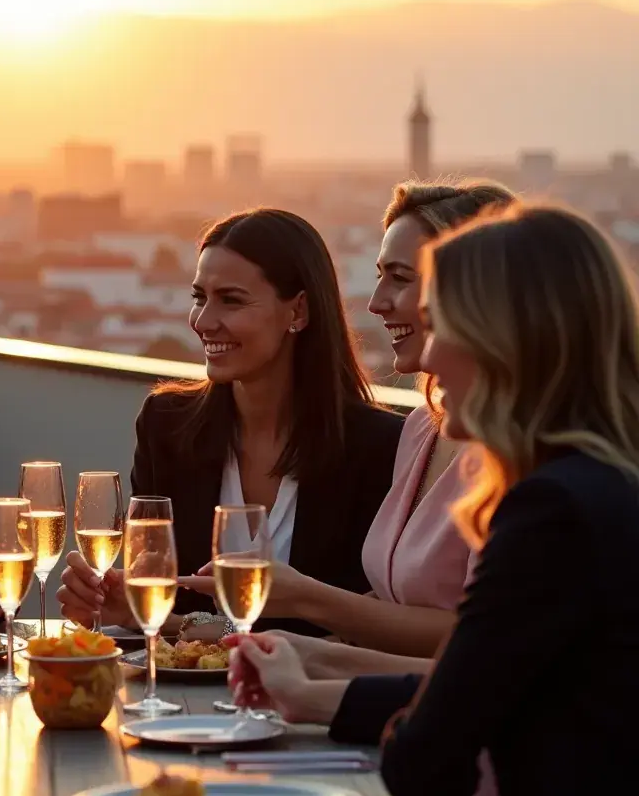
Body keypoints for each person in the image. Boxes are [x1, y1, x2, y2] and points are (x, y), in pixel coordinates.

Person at [230, 203, 639, 796]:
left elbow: (428, 760)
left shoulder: (551, 512)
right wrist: (309, 682)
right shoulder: (603, 486)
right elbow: (487, 688)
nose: (430, 352)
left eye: (445, 324)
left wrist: (321, 688)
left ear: (509, 341)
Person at [181, 180, 518, 658]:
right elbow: (384, 612)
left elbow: (485, 644)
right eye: (381, 275)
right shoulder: (421, 429)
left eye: (401, 278)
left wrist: (305, 603)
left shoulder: (524, 454)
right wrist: (284, 653)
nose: (376, 301)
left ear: (472, 292)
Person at [58, 207, 404, 638]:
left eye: (231, 300)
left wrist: (201, 628)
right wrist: (123, 606)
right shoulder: (166, 426)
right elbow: (166, 601)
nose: (203, 321)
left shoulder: (381, 447)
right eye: (199, 297)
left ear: (298, 311)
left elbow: (367, 629)